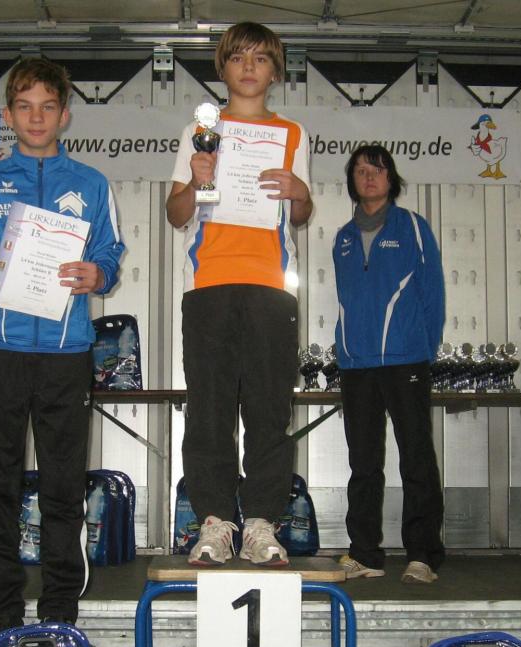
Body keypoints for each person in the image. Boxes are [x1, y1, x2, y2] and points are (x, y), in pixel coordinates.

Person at [0, 58, 125, 647]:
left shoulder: (92, 184)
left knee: (63, 490)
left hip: (66, 354)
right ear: (8, 115)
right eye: (24, 106)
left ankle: (59, 619)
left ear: (65, 115)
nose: (36, 117)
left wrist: (99, 273)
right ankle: (2, 621)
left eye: (48, 106)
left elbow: (110, 253)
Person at [166, 21, 312, 567]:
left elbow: (299, 215)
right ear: (222, 68)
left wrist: (300, 192)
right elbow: (176, 213)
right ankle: (213, 522)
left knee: (269, 411)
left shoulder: (293, 134)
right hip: (209, 285)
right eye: (238, 57)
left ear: (275, 72)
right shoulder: (200, 130)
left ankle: (260, 523)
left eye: (261, 58)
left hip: (272, 287)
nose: (249, 67)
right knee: (208, 411)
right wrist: (196, 178)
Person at [332, 144, 445, 584]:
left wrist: (424, 348)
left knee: (416, 458)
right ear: (352, 180)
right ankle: (365, 554)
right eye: (361, 171)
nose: (369, 177)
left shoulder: (412, 227)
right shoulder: (343, 237)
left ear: (390, 179)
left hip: (406, 360)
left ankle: (423, 555)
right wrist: (344, 352)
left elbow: (432, 293)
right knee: (363, 463)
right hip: (356, 366)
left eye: (377, 170)